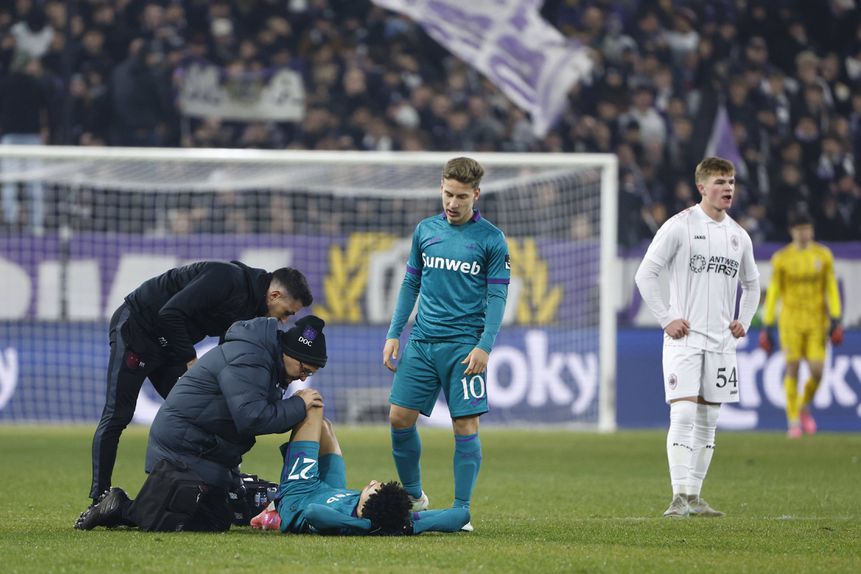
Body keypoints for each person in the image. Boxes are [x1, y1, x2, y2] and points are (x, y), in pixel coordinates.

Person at [75, 314, 328, 532]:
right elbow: (251, 418)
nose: (304, 376)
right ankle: (120, 505)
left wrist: (295, 408)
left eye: (311, 373)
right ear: (290, 352)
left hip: (207, 449)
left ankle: (223, 487)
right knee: (176, 517)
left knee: (217, 521)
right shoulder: (250, 357)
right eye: (305, 368)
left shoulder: (269, 362)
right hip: (182, 448)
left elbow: (260, 416)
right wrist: (298, 405)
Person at [88, 261, 313, 505]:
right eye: (288, 312)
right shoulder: (226, 278)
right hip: (137, 329)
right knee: (118, 415)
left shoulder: (253, 310)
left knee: (200, 411)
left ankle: (220, 483)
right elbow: (169, 313)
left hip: (169, 346)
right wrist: (191, 359)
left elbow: (229, 349)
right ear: (275, 295)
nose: (285, 321)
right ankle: (100, 496)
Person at [382, 157, 510, 531]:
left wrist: (485, 345)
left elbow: (498, 298)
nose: (452, 204)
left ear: (476, 195)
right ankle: (415, 495)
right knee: (398, 419)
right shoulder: (425, 231)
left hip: (463, 348)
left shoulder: (491, 239)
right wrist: (394, 333)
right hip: (422, 342)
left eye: (460, 197)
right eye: (447, 194)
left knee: (465, 426)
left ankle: (461, 510)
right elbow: (410, 285)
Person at [634, 157, 761, 518]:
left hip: (722, 343)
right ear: (701, 187)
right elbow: (646, 274)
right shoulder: (679, 226)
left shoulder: (739, 236)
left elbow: (752, 285)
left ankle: (694, 496)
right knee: (685, 413)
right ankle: (678, 497)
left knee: (708, 421)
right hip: (685, 340)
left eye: (732, 182)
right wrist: (667, 317)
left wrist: (744, 320)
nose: (729, 188)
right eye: (721, 182)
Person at [248, 401, 471, 535]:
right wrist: (410, 527)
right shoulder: (398, 521)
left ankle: (275, 507)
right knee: (324, 425)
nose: (373, 482)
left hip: (299, 496)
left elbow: (312, 512)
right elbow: (460, 515)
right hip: (331, 490)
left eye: (374, 488)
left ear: (368, 510)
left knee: (312, 408)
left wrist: (365, 526)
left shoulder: (354, 524)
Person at [758, 210, 843, 438]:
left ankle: (803, 405)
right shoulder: (782, 258)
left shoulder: (823, 256)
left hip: (817, 321)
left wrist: (836, 317)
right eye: (799, 229)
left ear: (811, 230)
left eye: (807, 229)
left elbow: (831, 288)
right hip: (790, 321)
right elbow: (774, 292)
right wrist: (767, 324)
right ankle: (793, 420)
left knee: (817, 371)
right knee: (793, 366)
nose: (804, 233)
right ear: (792, 232)